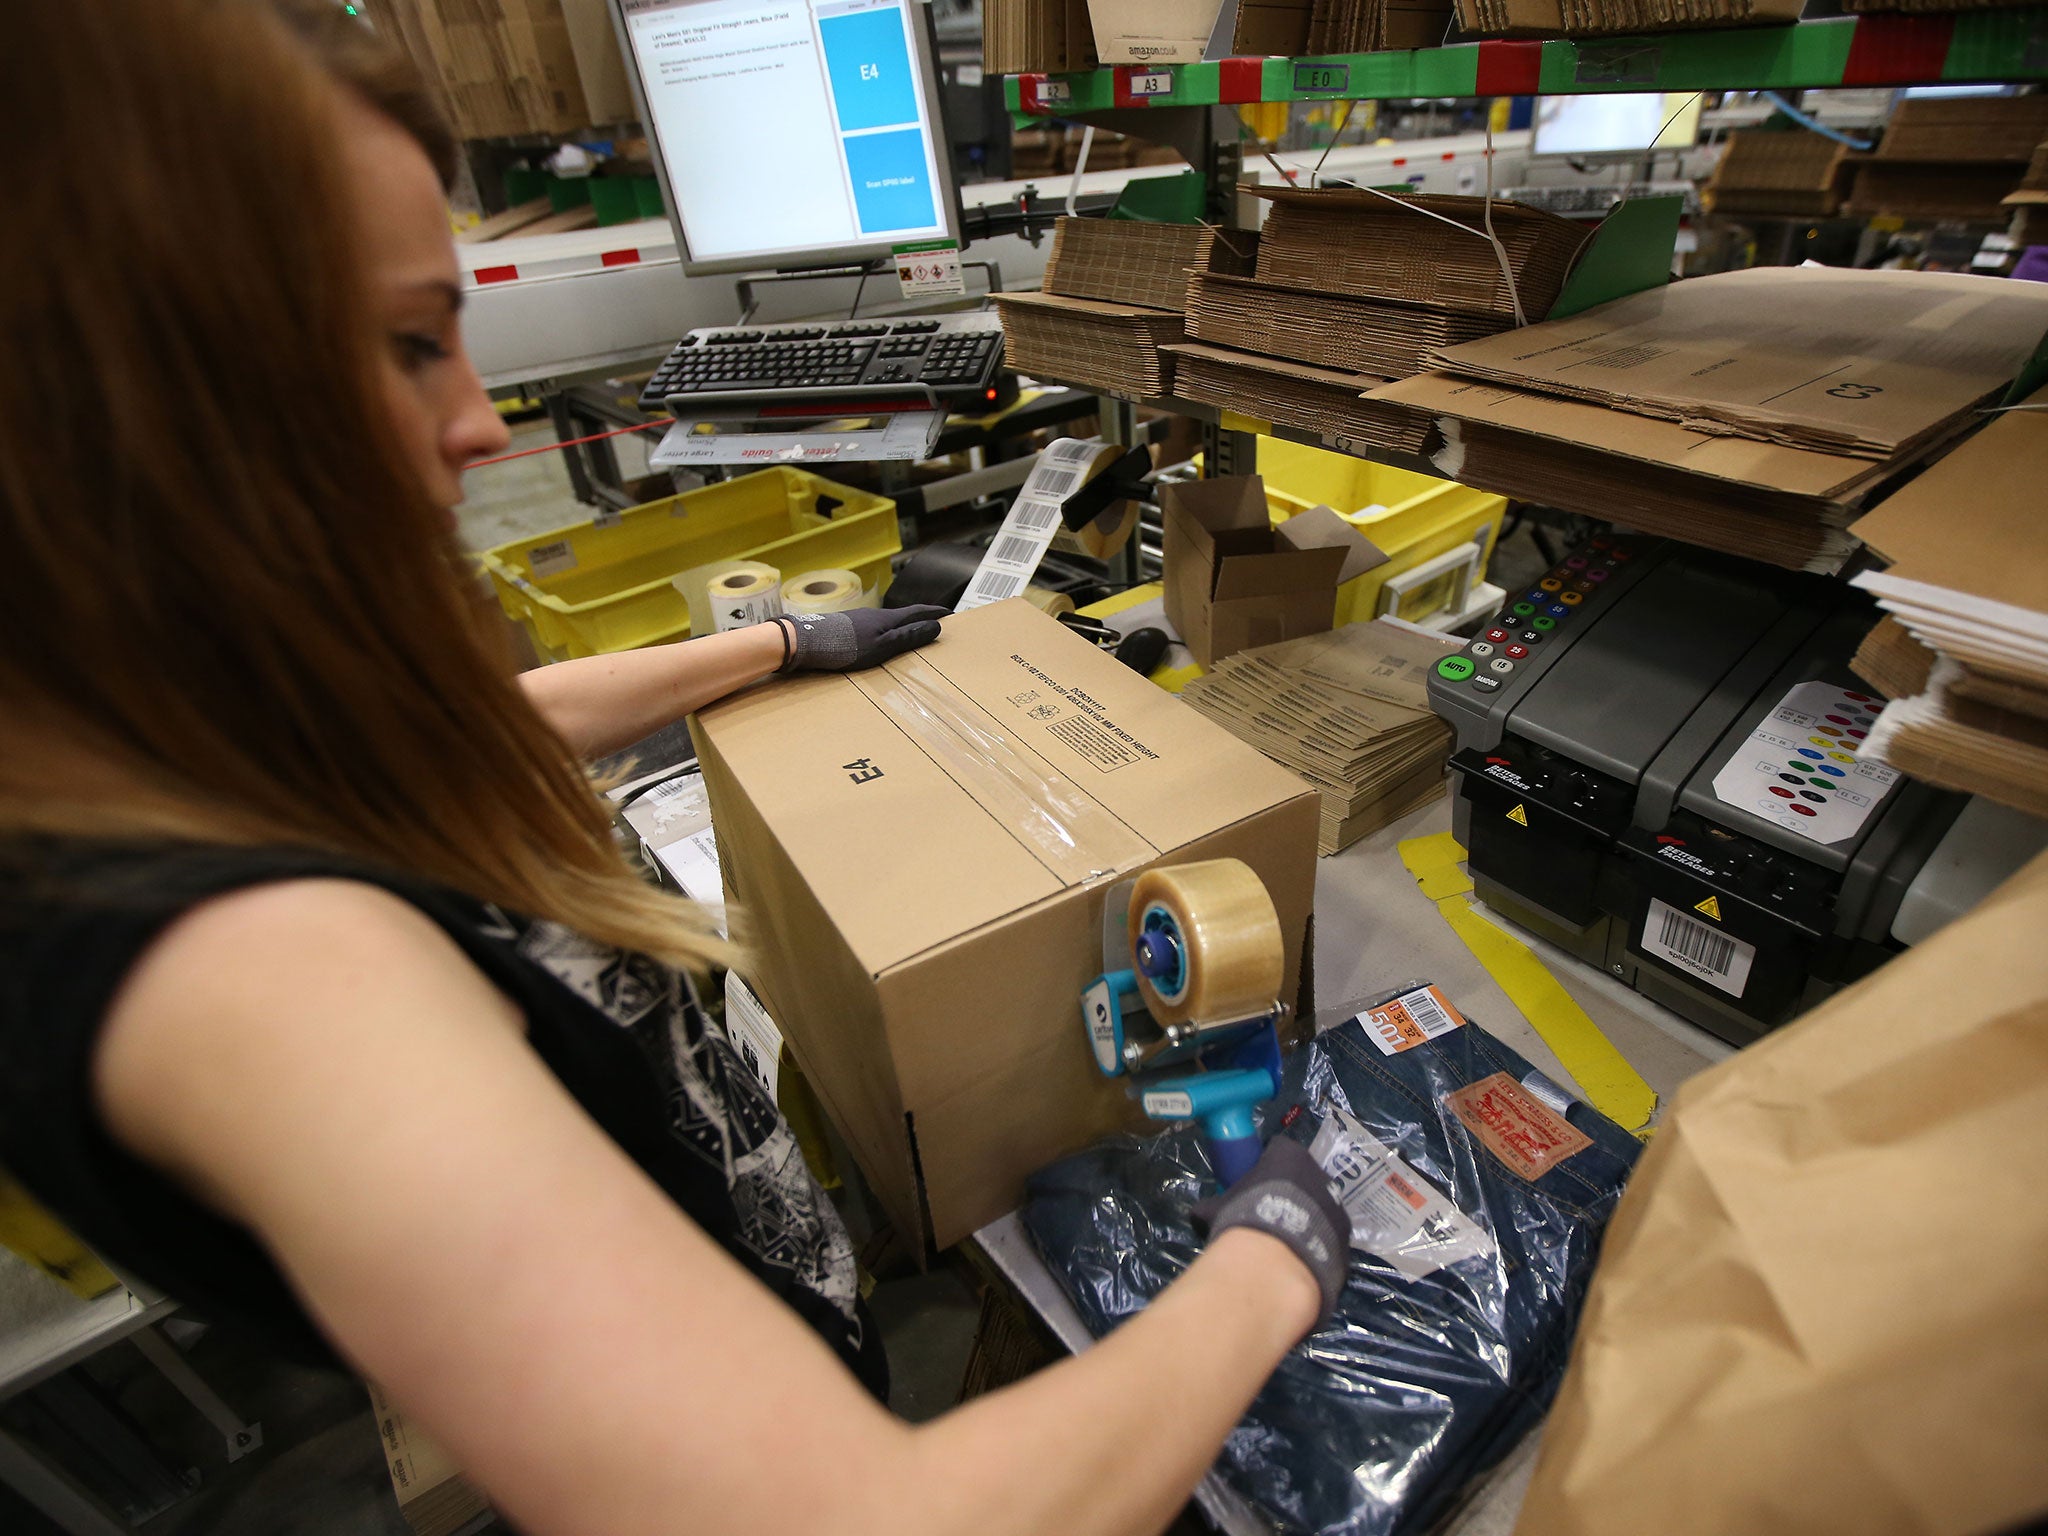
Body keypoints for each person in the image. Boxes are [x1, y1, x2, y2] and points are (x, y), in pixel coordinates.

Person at [0, 5, 1349, 1535]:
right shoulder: (253, 978)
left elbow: (440, 747)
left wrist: (775, 650)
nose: (471, 423)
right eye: (404, 343)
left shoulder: (146, 745)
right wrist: (1274, 1261)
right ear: (114, 381)